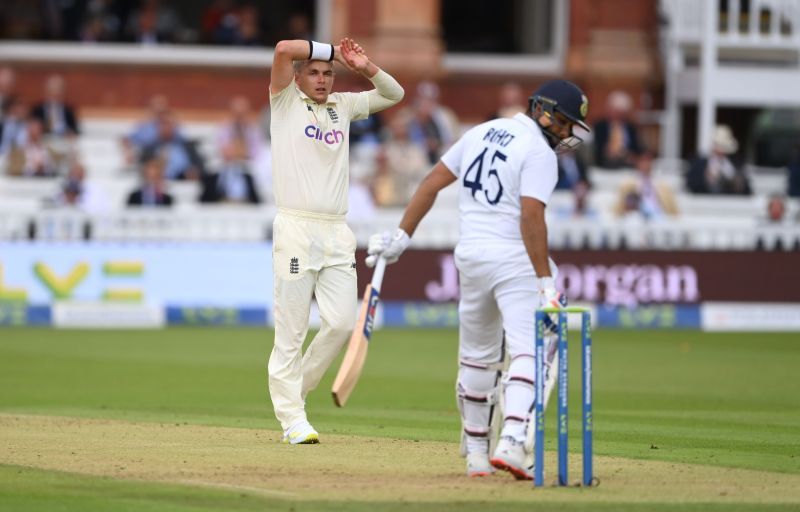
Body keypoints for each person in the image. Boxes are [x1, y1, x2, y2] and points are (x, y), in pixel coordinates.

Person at [366, 79, 588, 479]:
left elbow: (433, 180)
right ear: (543, 111)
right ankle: (514, 441)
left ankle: (477, 456)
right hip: (514, 258)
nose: (567, 133)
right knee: (533, 348)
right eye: (564, 123)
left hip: (470, 256)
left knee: (478, 357)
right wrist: (545, 282)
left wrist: (402, 236)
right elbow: (531, 216)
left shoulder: (480, 132)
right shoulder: (538, 152)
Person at [267, 37, 404, 445]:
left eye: (328, 73)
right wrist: (326, 49)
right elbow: (281, 50)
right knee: (290, 329)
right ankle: (292, 419)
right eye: (314, 72)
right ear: (298, 76)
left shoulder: (344, 106)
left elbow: (394, 94)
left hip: (336, 231)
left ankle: (296, 393)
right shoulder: (284, 101)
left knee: (343, 323)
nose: (324, 79)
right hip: (295, 227)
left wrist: (363, 66)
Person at [686, 124, 751, 195]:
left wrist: (737, 181)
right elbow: (691, 185)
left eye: (723, 147)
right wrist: (707, 178)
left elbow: (747, 190)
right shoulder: (699, 164)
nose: (720, 151)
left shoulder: (736, 163)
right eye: (718, 146)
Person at [592, 90, 641, 169]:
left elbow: (637, 148)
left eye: (622, 113)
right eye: (616, 111)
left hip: (628, 165)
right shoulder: (600, 126)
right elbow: (597, 148)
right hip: (605, 165)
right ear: (609, 109)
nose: (618, 115)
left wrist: (632, 156)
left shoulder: (631, 127)